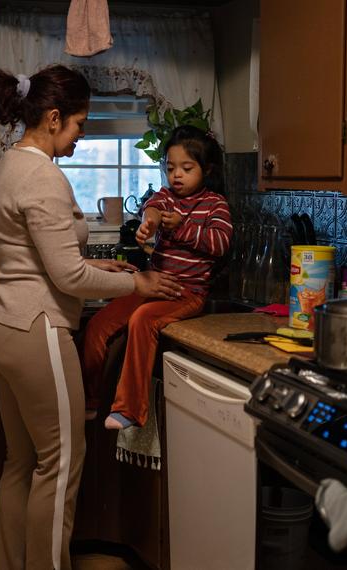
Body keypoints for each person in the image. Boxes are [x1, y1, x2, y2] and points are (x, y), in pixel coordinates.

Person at [0, 65, 184, 570]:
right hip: (35, 330)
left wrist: (96, 266)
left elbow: (33, 258)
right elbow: (66, 279)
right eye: (79, 124)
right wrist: (136, 282)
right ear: (52, 118)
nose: (81, 135)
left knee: (21, 463)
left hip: (0, 323)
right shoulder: (43, 177)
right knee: (62, 464)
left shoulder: (6, 165)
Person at [80, 125, 233, 429]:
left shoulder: (216, 205)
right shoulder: (166, 197)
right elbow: (153, 209)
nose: (177, 175)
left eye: (187, 168)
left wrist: (181, 227)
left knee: (143, 320)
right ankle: (90, 399)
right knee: (98, 325)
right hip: (154, 284)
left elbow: (219, 245)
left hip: (186, 294)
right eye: (171, 167)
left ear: (207, 169)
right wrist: (148, 225)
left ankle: (130, 409)